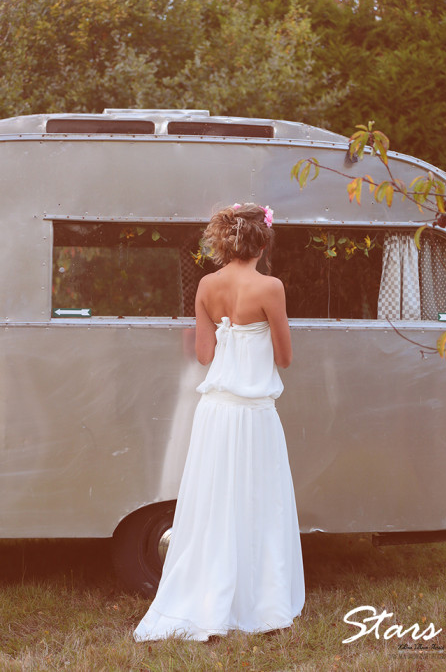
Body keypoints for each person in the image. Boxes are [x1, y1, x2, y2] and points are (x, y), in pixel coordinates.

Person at [134, 203, 305, 642]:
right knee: (260, 501)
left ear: (225, 241)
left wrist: (227, 331)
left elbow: (204, 355)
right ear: (262, 244)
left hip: (215, 413)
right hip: (254, 413)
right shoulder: (271, 287)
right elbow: (285, 358)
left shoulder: (207, 285)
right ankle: (261, 602)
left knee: (214, 503)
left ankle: (208, 599)